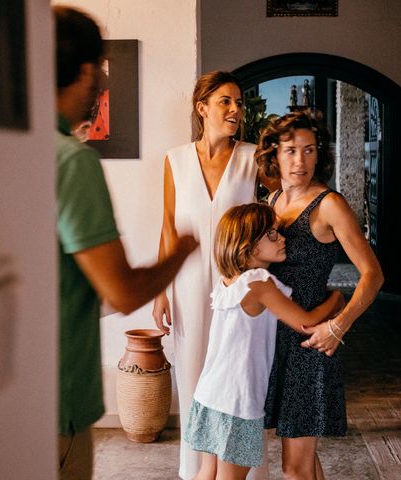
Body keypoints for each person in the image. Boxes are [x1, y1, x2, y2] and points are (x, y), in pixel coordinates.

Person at [53, 7, 197, 479]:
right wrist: (180, 253)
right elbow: (123, 292)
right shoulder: (72, 161)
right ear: (89, 70)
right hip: (56, 400)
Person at [255, 111, 384, 480]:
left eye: (309, 151)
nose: (300, 161)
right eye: (291, 150)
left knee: (294, 467)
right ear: (275, 154)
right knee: (305, 463)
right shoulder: (272, 200)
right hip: (276, 340)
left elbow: (373, 275)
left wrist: (338, 325)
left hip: (310, 345)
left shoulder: (329, 204)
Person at [151, 70, 260, 479]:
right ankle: (197, 471)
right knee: (195, 377)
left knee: (236, 381)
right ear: (202, 108)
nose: (235, 110)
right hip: (187, 285)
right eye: (225, 102)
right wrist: (161, 290)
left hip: (239, 285)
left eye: (239, 103)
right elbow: (167, 227)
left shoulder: (252, 158)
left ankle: (240, 472)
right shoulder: (175, 160)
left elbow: (279, 208)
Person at [185, 204, 345, 480]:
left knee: (207, 473)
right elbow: (304, 323)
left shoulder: (227, 282)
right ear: (248, 246)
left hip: (210, 395)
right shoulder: (259, 283)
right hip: (237, 401)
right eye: (272, 234)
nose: (283, 239)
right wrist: (337, 300)